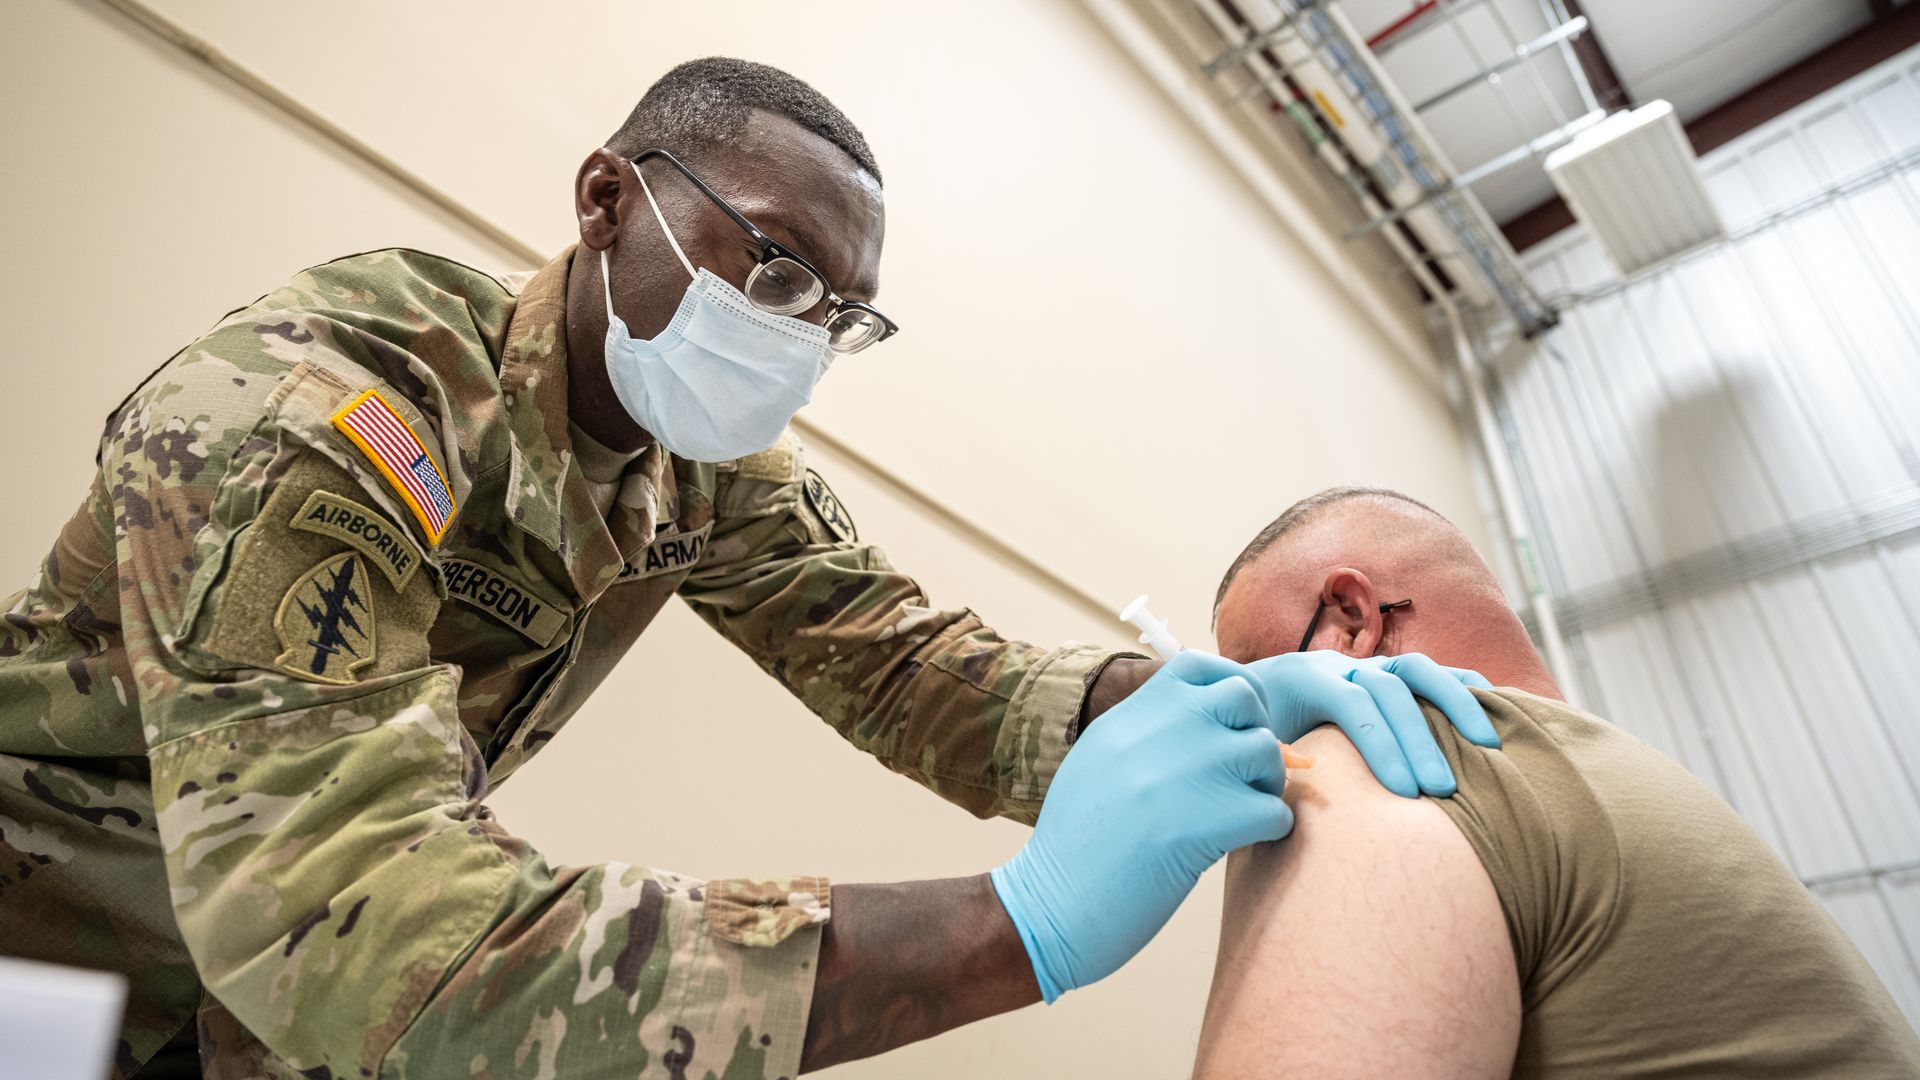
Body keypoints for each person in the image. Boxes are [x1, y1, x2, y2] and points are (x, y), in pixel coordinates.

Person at [0, 62, 1501, 1078]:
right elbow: (348, 915)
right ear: (605, 203)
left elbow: (911, 665)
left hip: (227, 1019)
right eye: (773, 267)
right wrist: (1013, 925)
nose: (796, 333)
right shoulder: (327, 408)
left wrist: (1203, 705)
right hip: (40, 951)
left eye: (838, 312)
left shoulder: (703, 470)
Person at [1193, 486, 1920, 1078]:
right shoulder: (1634, 784)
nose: (1271, 735)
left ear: (1354, 620)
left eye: (1258, 682)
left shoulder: (1387, 771)